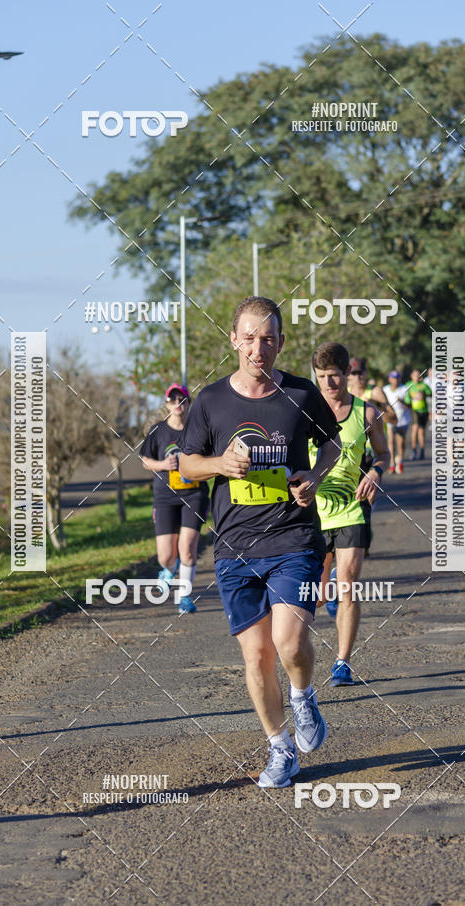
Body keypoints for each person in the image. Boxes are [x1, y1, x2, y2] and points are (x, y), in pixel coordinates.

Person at [179, 296, 341, 788]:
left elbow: (332, 441)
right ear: (234, 340)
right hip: (233, 545)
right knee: (256, 657)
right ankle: (280, 749)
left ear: (281, 343)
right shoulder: (209, 401)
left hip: (294, 537)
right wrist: (219, 465)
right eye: (249, 338)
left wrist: (314, 475)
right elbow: (186, 465)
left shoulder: (299, 393)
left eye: (268, 338)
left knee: (288, 644)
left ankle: (303, 694)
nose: (258, 348)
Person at [310, 342, 390, 687]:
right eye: (322, 378)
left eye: (334, 377)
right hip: (311, 513)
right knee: (313, 594)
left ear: (346, 374)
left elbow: (384, 454)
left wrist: (375, 472)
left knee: (348, 587)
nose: (328, 384)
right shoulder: (305, 412)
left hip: (351, 510)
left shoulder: (367, 413)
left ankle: (342, 662)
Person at [140, 383, 209, 614]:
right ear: (167, 404)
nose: (177, 403)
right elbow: (145, 461)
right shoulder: (157, 431)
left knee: (188, 548)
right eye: (173, 400)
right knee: (166, 555)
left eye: (182, 399)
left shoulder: (198, 429)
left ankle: (185, 597)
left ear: (188, 404)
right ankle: (168, 570)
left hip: (194, 494)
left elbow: (210, 457)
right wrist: (163, 465)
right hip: (165, 498)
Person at [383, 370, 411, 474]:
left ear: (400, 379)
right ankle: (392, 464)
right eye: (393, 378)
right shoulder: (385, 389)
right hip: (390, 420)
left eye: (397, 378)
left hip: (402, 420)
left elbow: (410, 406)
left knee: (400, 443)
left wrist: (401, 401)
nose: (395, 380)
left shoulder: (404, 389)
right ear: (390, 379)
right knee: (390, 441)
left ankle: (400, 461)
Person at [404, 369, 432, 460]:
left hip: (423, 410)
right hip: (414, 410)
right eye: (415, 375)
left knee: (421, 431)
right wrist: (412, 399)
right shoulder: (409, 385)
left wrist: (423, 392)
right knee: (415, 428)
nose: (417, 377)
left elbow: (430, 393)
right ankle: (413, 450)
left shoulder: (423, 385)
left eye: (418, 375)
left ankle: (422, 451)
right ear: (411, 376)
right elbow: (406, 398)